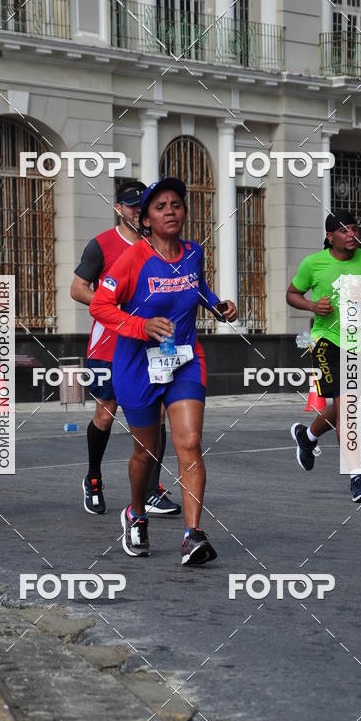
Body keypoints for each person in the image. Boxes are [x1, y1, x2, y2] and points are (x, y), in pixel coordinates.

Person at [89, 177, 238, 565]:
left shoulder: (193, 252)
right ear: (147, 220)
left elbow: (197, 287)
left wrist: (217, 305)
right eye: (160, 206)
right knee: (147, 451)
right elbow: (100, 307)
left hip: (184, 359)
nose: (170, 210)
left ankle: (193, 535)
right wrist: (141, 326)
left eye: (176, 204)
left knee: (188, 443)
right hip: (137, 364)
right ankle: (135, 513)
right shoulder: (133, 259)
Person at [71, 181, 181, 518]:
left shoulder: (158, 245)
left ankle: (150, 490)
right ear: (119, 208)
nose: (137, 210)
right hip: (110, 344)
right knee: (106, 413)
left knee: (157, 413)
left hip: (151, 345)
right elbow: (78, 289)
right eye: (131, 205)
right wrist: (120, 309)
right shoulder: (102, 245)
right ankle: (93, 478)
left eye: (142, 205)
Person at [286, 210, 361, 503]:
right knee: (347, 405)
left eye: (354, 229)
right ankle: (357, 476)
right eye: (344, 230)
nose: (351, 235)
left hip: (359, 343)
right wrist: (312, 307)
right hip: (325, 341)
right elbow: (292, 294)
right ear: (330, 236)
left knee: (347, 404)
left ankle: (307, 437)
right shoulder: (313, 263)